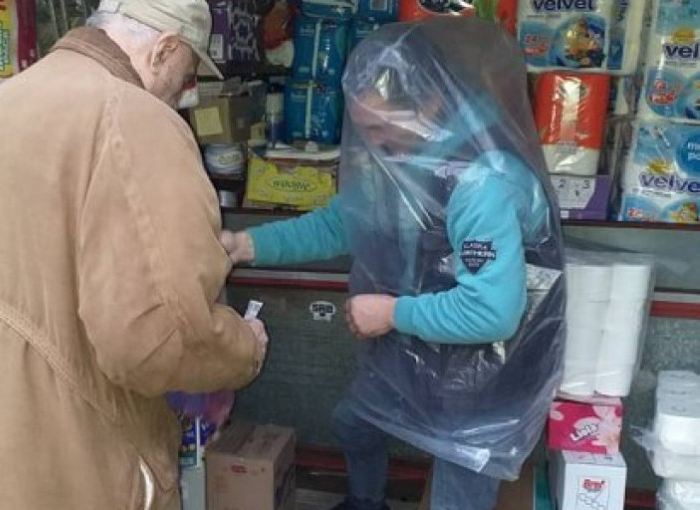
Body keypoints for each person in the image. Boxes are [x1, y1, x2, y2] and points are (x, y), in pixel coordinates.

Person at [222, 17, 565, 510]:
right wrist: (243, 245)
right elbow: (341, 223)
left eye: (382, 128)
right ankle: (366, 502)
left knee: (458, 485)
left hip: (490, 363)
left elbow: (493, 312)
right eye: (364, 130)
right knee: (354, 423)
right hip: (424, 337)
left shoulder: (482, 182)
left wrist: (389, 313)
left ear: (430, 105)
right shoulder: (400, 156)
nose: (374, 143)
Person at [0, 0, 268, 508]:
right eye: (186, 74)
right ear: (164, 49)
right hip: (71, 469)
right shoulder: (134, 119)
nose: (184, 92)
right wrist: (243, 348)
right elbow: (160, 337)